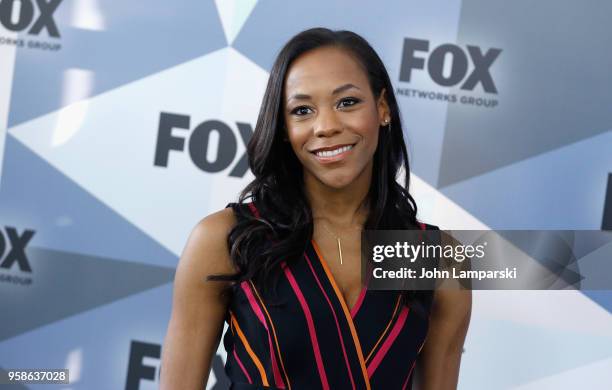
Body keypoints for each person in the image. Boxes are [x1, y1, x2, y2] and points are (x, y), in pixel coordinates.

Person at [160, 27, 471, 390]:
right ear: (283, 128)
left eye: (347, 102)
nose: (325, 127)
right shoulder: (225, 240)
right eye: (302, 110)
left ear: (382, 108)